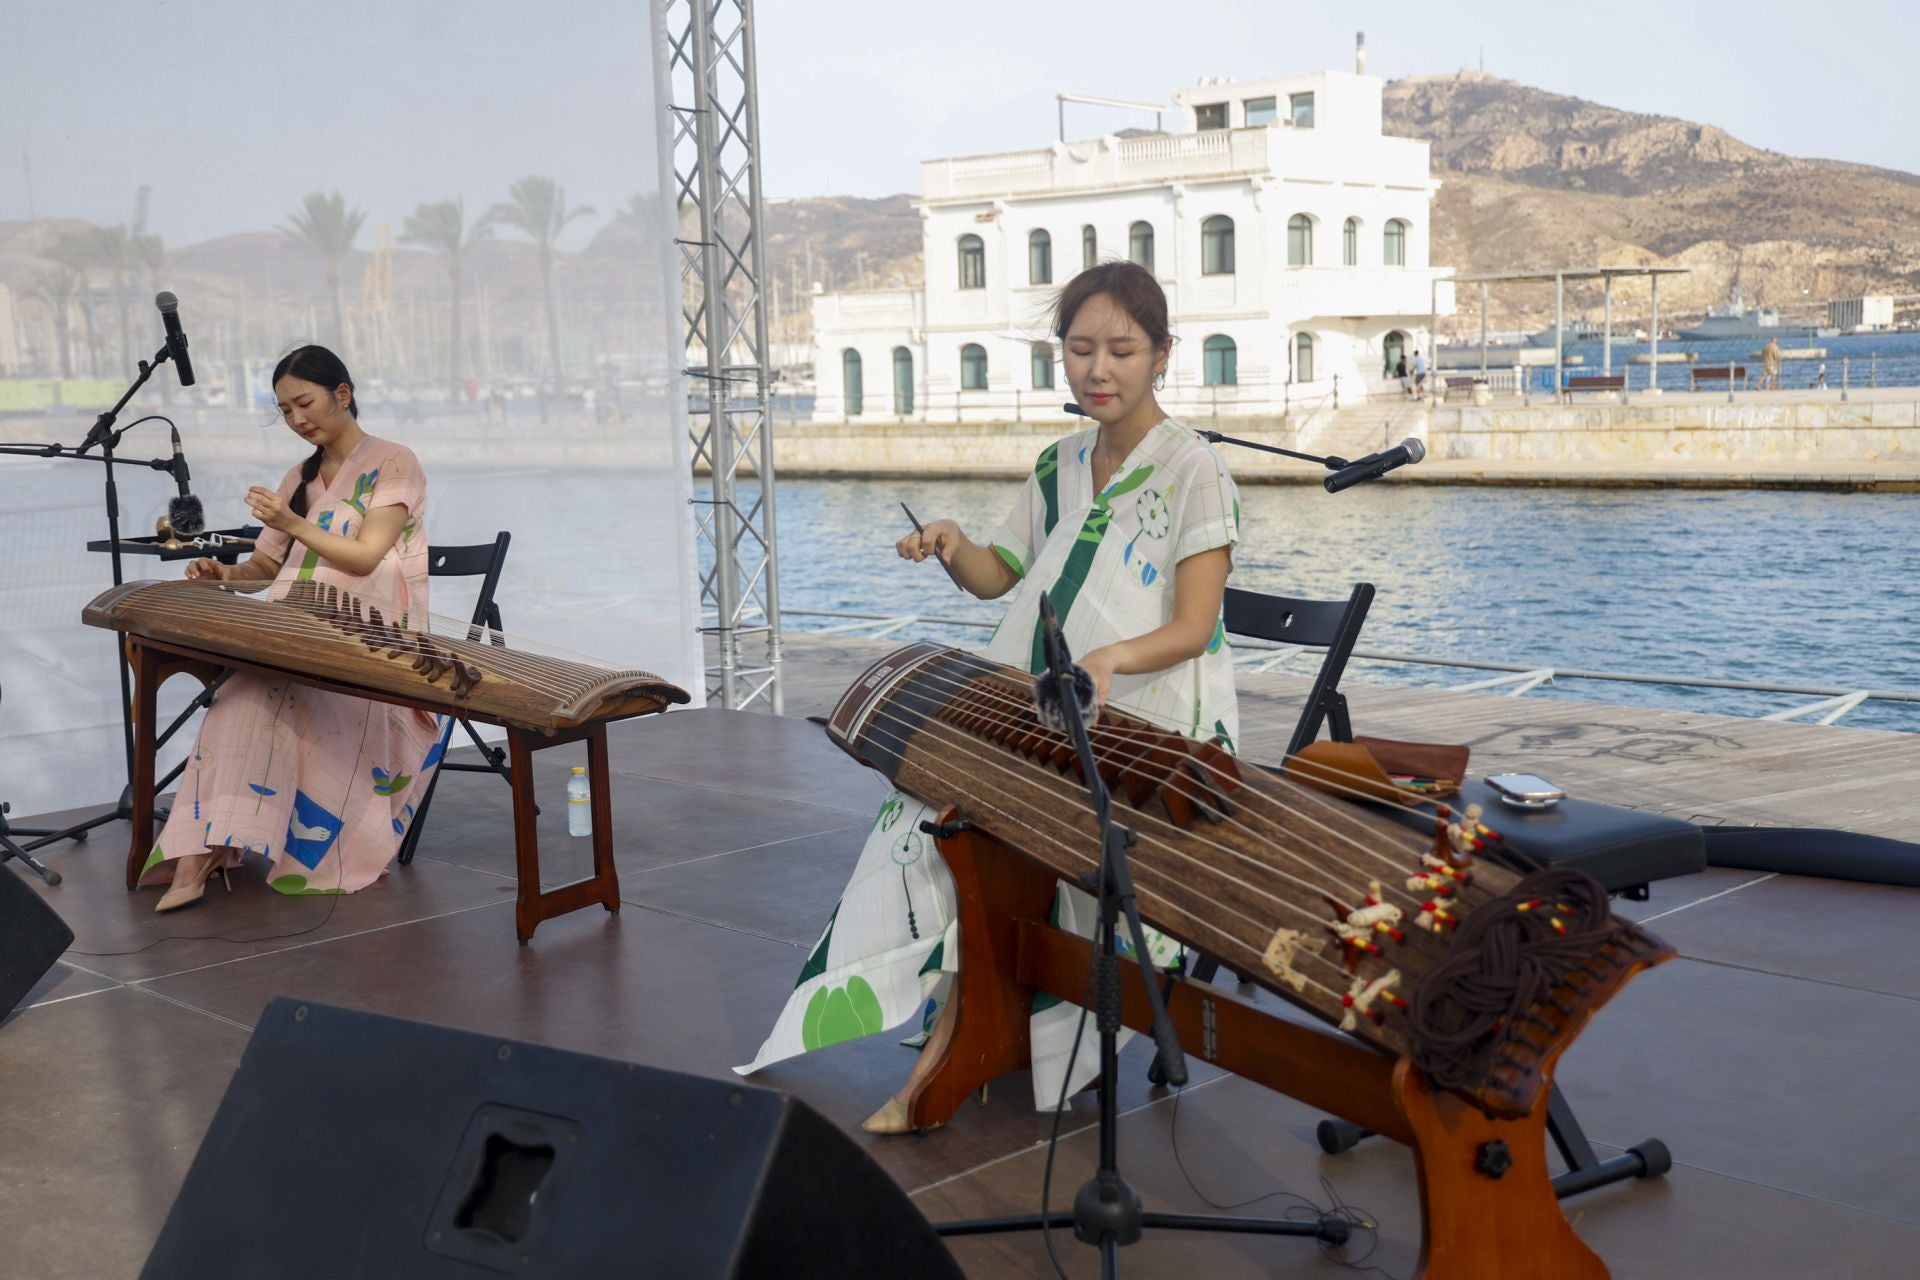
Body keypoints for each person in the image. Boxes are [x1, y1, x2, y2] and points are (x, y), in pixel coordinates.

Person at [737, 261, 1240, 1129]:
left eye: (1122, 350)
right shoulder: (1059, 464)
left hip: (1147, 719)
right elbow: (999, 575)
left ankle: (979, 1027)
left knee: (991, 818)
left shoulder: (1195, 470)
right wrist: (952, 542)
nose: (1098, 369)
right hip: (1045, 705)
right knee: (932, 814)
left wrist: (1109, 660)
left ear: (1163, 354)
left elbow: (1195, 626)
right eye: (1080, 349)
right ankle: (974, 1017)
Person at [142, 344, 442, 911]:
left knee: (259, 696)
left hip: (369, 637)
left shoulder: (394, 462)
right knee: (239, 701)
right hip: (297, 631)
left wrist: (291, 522)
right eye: (285, 411)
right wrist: (224, 574)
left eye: (304, 403)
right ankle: (202, 852)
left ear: (342, 394)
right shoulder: (298, 477)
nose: (297, 419)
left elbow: (365, 556)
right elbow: (265, 567)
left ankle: (210, 851)